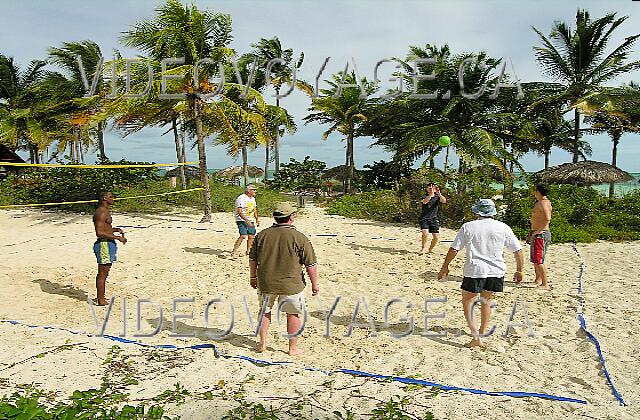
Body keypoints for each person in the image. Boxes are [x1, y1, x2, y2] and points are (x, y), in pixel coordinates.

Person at [437, 199, 524, 348]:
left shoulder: (468, 227)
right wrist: (519, 270)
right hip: (496, 270)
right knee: (486, 301)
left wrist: (445, 266)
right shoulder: (503, 227)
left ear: (477, 211)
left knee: (468, 302)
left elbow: (454, 249)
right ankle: (482, 331)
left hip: (475, 269)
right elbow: (518, 250)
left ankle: (476, 336)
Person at [248, 202, 319, 356]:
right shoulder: (300, 237)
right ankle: (292, 348)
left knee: (264, 311)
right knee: (292, 314)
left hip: (266, 282)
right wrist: (315, 284)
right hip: (291, 284)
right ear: (291, 217)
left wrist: (253, 276)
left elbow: (252, 259)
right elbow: (310, 264)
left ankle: (262, 342)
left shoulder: (262, 235)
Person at [93, 191, 127, 306]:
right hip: (104, 244)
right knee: (102, 273)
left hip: (108, 243)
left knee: (105, 272)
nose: (113, 198)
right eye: (111, 197)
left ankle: (101, 296)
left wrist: (115, 230)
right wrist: (117, 238)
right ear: (104, 198)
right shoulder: (101, 213)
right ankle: (100, 299)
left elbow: (105, 229)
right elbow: (99, 232)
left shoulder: (105, 211)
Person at [527, 184, 552, 289]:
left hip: (541, 234)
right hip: (536, 233)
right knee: (534, 258)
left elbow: (547, 218)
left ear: (538, 192)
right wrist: (531, 233)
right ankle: (538, 279)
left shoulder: (544, 203)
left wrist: (540, 230)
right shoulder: (540, 203)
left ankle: (545, 283)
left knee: (538, 259)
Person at [417, 182, 447, 255]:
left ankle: (430, 249)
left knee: (436, 237)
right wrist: (430, 194)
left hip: (433, 218)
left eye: (433, 187)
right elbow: (424, 202)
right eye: (429, 188)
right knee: (425, 233)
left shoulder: (437, 197)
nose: (431, 189)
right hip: (424, 218)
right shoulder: (424, 196)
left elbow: (444, 201)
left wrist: (439, 193)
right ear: (426, 189)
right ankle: (423, 248)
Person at [232, 185, 260, 257]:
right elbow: (239, 211)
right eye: (253, 190)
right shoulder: (241, 198)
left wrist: (257, 219)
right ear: (248, 191)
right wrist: (246, 220)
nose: (255, 191)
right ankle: (234, 251)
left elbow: (254, 209)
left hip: (250, 219)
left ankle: (248, 251)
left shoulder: (253, 199)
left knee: (251, 236)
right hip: (241, 219)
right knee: (243, 235)